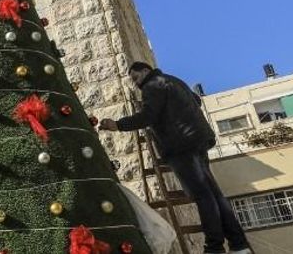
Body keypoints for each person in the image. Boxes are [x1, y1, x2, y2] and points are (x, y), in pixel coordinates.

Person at [99, 61, 252, 254]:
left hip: (181, 146)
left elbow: (148, 116)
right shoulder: (174, 80)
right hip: (199, 140)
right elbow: (196, 100)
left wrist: (118, 124)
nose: (135, 83)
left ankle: (214, 247)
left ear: (146, 71)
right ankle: (238, 244)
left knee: (203, 196)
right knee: (214, 194)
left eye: (136, 78)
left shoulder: (152, 86)